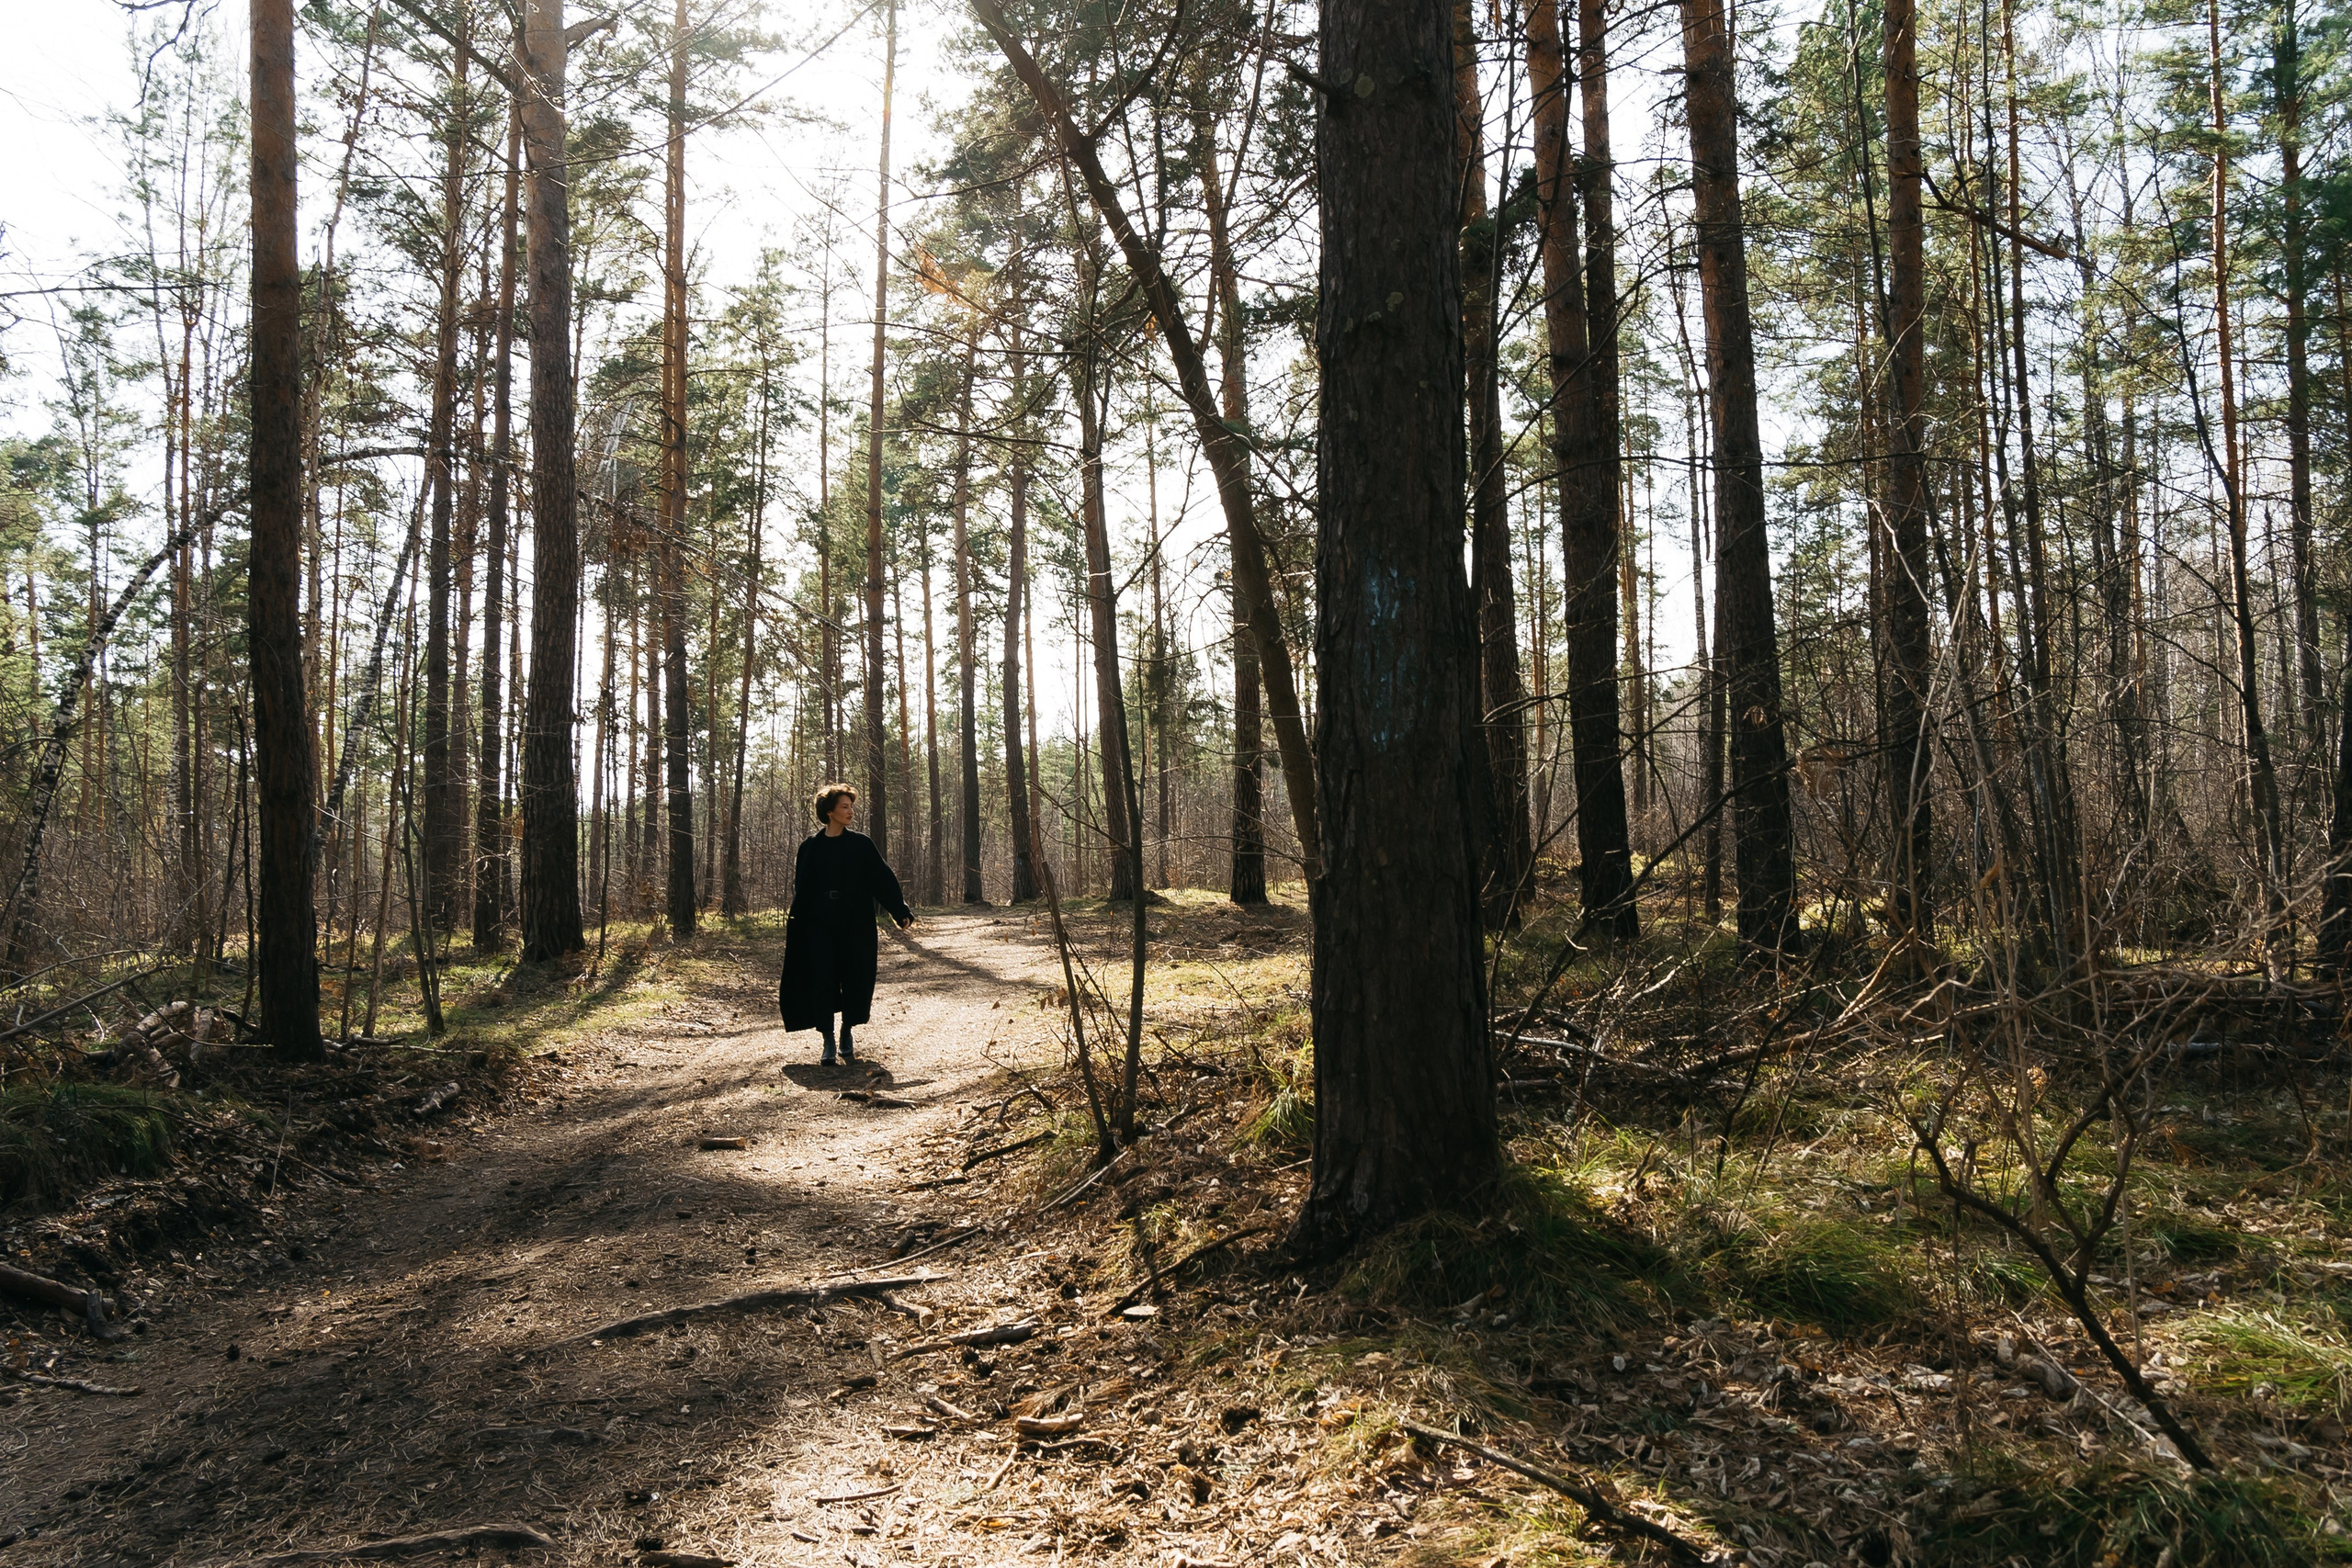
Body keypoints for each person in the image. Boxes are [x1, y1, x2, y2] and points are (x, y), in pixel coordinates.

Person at [779, 783, 913, 1066]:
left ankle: (846, 1031)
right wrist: (798, 922)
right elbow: (800, 887)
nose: (851, 811)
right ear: (829, 812)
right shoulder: (810, 847)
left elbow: (882, 878)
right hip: (819, 924)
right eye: (845, 806)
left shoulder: (861, 845)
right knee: (822, 978)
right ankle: (827, 1038)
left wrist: (899, 910)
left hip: (855, 922)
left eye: (851, 806)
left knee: (855, 977)